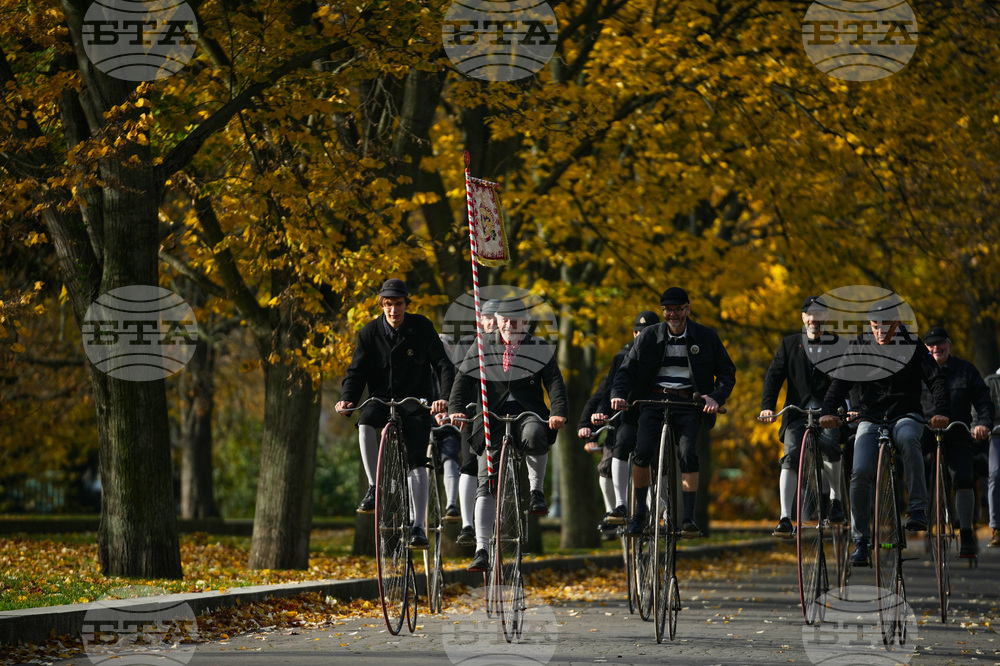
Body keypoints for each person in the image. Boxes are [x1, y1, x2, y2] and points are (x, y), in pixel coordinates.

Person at [819, 298, 950, 567]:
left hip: (905, 414)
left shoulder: (912, 345)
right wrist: (827, 411)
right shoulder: (860, 345)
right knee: (860, 469)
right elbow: (841, 380)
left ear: (897, 324)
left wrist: (941, 411)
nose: (879, 330)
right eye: (875, 324)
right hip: (871, 416)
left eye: (886, 325)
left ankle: (917, 508)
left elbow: (936, 379)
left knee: (908, 439)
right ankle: (861, 540)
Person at [449, 297, 568, 571]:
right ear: (498, 323)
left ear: (525, 323)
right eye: (504, 321)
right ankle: (482, 549)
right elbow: (463, 381)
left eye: (515, 321)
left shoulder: (538, 347)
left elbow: (554, 383)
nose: (509, 326)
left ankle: (536, 492)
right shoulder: (481, 347)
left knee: (535, 433)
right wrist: (457, 409)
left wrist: (557, 412)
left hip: (526, 413)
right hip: (490, 418)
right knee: (485, 480)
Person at [335, 278, 454, 550]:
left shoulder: (422, 328)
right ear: (382, 305)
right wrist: (347, 400)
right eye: (388, 305)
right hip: (380, 399)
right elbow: (356, 372)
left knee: (416, 458)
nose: (393, 310)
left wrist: (443, 398)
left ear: (405, 304)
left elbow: (443, 365)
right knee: (365, 422)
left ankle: (418, 526)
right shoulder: (368, 333)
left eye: (398, 304)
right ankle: (374, 486)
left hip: (415, 401)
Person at [610, 287, 737, 538]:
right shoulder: (648, 336)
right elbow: (626, 370)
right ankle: (639, 514)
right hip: (652, 400)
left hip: (688, 404)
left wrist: (715, 397)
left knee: (688, 453)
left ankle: (688, 518)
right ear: (663, 311)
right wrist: (618, 394)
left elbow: (727, 372)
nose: (673, 315)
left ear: (688, 310)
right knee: (642, 451)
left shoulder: (705, 336)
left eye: (678, 309)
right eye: (668, 310)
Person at [760, 296, 847, 538]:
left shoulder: (840, 345)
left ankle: (836, 499)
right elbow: (774, 377)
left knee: (831, 444)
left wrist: (853, 407)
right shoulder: (789, 345)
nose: (814, 319)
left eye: (819, 315)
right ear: (803, 318)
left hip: (828, 412)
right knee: (790, 455)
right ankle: (785, 517)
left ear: (826, 318)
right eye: (809, 314)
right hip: (796, 413)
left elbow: (853, 379)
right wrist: (767, 406)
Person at [578, 310, 660, 529]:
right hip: (623, 420)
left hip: (654, 418)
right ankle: (615, 509)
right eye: (640, 334)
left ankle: (656, 506)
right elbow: (605, 392)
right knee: (608, 461)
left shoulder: (665, 355)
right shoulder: (621, 358)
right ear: (634, 335)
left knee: (654, 455)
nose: (644, 338)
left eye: (649, 333)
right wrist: (589, 422)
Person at [920, 326, 995, 557]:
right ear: (925, 349)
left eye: (940, 343)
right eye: (931, 345)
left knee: (963, 477)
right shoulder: (918, 370)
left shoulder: (965, 370)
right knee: (910, 460)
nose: (936, 348)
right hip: (925, 429)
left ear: (949, 345)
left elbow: (983, 401)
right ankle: (916, 514)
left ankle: (966, 532)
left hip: (957, 430)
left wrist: (983, 423)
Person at [451, 298, 500, 546]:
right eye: (487, 318)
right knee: (470, 463)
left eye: (496, 318)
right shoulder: (468, 344)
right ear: (480, 321)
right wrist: (457, 409)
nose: (491, 322)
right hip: (473, 414)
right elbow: (459, 380)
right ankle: (468, 524)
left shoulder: (509, 345)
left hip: (499, 414)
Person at [986, 368, 1000, 548]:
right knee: (995, 475)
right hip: (997, 434)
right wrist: (978, 425)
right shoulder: (991, 382)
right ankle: (996, 527)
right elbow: (980, 408)